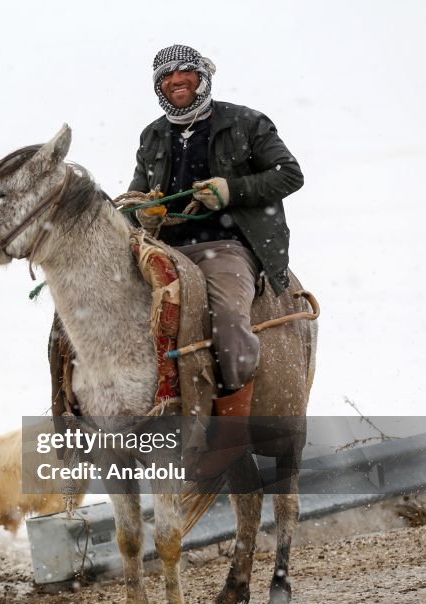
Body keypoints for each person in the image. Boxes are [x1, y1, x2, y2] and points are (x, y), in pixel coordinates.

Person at [128, 44, 303, 431]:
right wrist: (143, 213)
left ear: (202, 76)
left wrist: (231, 191)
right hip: (165, 250)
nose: (176, 80)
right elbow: (133, 199)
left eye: (184, 71)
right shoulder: (153, 136)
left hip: (226, 247)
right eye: (166, 76)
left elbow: (290, 174)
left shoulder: (247, 122)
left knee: (226, 320)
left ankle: (230, 432)